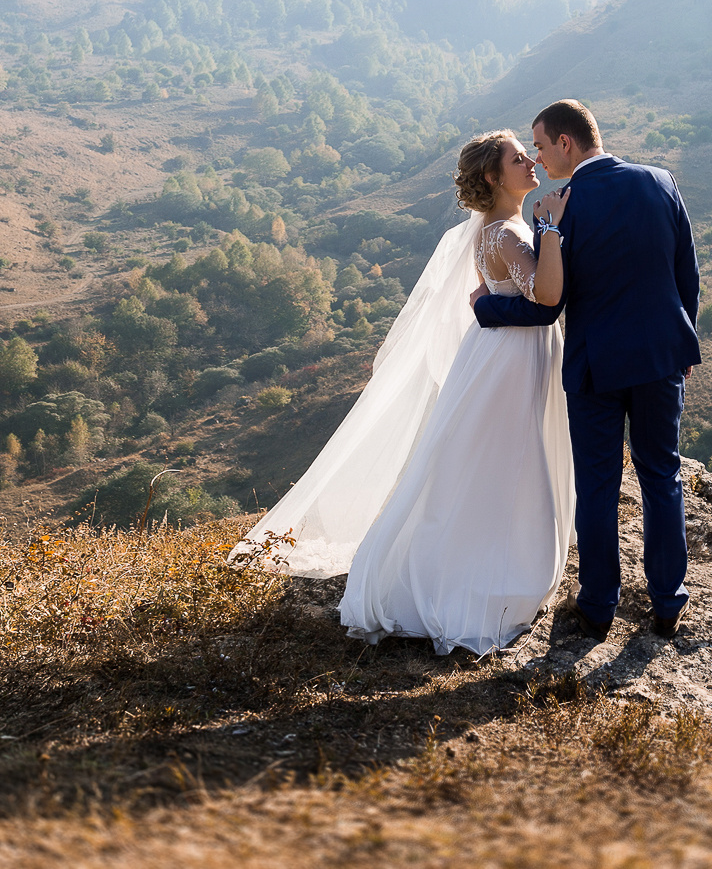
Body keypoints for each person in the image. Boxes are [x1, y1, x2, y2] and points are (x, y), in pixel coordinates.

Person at [234, 130, 574, 655]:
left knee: (483, 463)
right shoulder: (506, 233)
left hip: (499, 354)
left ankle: (483, 558)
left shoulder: (496, 229)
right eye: (517, 157)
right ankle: (487, 576)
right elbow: (547, 294)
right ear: (492, 176)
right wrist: (550, 226)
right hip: (511, 361)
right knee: (506, 462)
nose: (530, 162)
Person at [471, 98, 700, 640]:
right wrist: (682, 344)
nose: (540, 159)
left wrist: (486, 306)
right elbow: (685, 270)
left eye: (543, 147)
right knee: (661, 475)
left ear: (567, 144)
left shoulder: (556, 206)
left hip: (596, 366)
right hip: (660, 358)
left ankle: (598, 607)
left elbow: (548, 302)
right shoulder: (660, 181)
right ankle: (668, 603)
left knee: (597, 486)